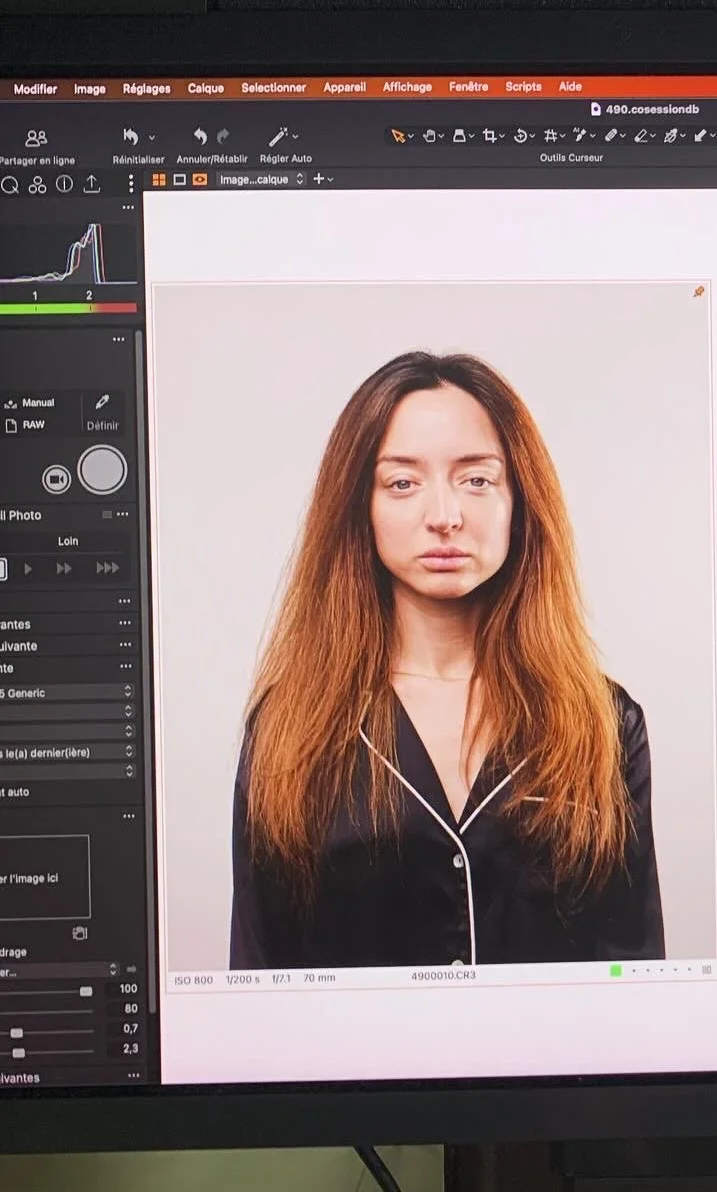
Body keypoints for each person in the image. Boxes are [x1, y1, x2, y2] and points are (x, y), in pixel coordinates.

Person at [230, 350, 664, 969]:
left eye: (477, 479)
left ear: (520, 501)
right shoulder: (289, 726)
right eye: (403, 482)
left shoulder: (603, 721)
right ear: (362, 507)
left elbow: (635, 970)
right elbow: (256, 971)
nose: (444, 517)